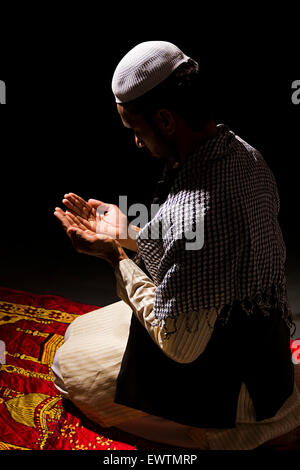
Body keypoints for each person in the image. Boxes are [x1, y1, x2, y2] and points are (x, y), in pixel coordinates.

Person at [52, 41, 300, 450]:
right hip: (261, 346)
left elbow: (179, 348)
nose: (136, 143)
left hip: (228, 379)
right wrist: (130, 233)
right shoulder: (245, 155)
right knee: (85, 329)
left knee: (69, 368)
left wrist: (115, 257)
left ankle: (239, 433)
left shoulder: (192, 210)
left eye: (136, 130)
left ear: (165, 119)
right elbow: (211, 244)